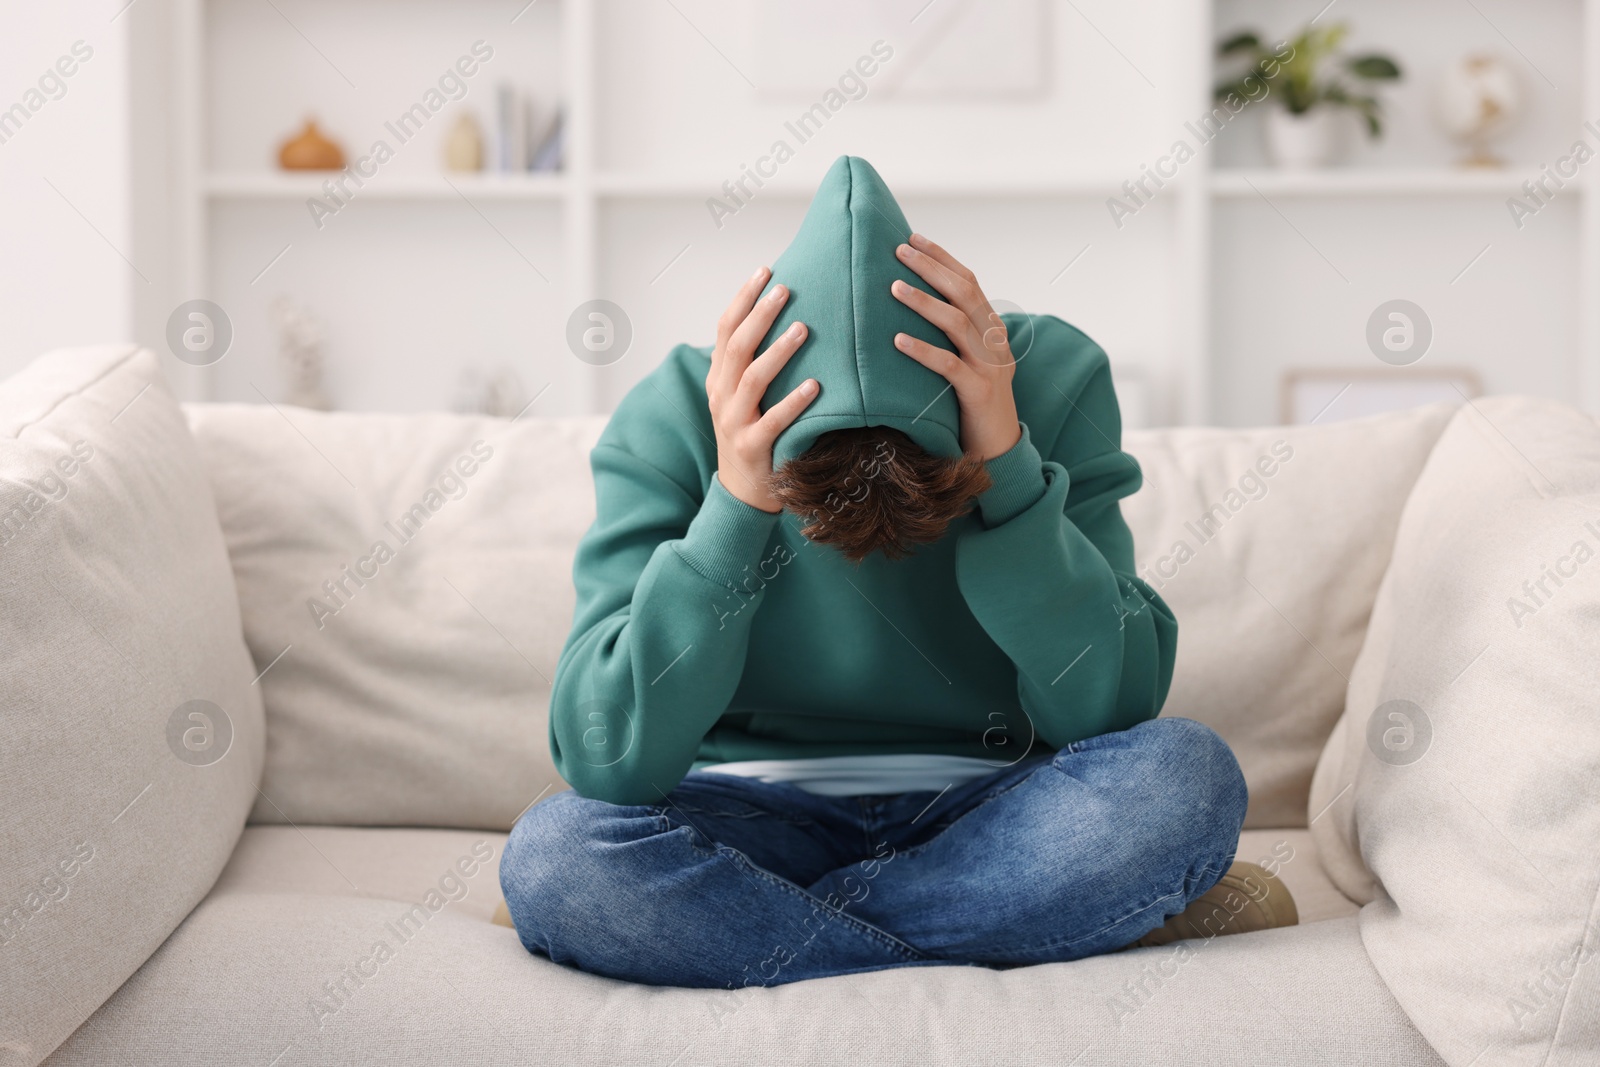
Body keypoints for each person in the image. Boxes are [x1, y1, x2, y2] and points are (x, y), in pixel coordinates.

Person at [499, 156, 1295, 989]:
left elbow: (1112, 707)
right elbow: (607, 754)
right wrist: (736, 500)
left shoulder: (1054, 380)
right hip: (745, 812)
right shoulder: (672, 409)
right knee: (557, 857)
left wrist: (1010, 466)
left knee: (1184, 780)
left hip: (1000, 811)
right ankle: (1059, 923)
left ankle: (747, 924)